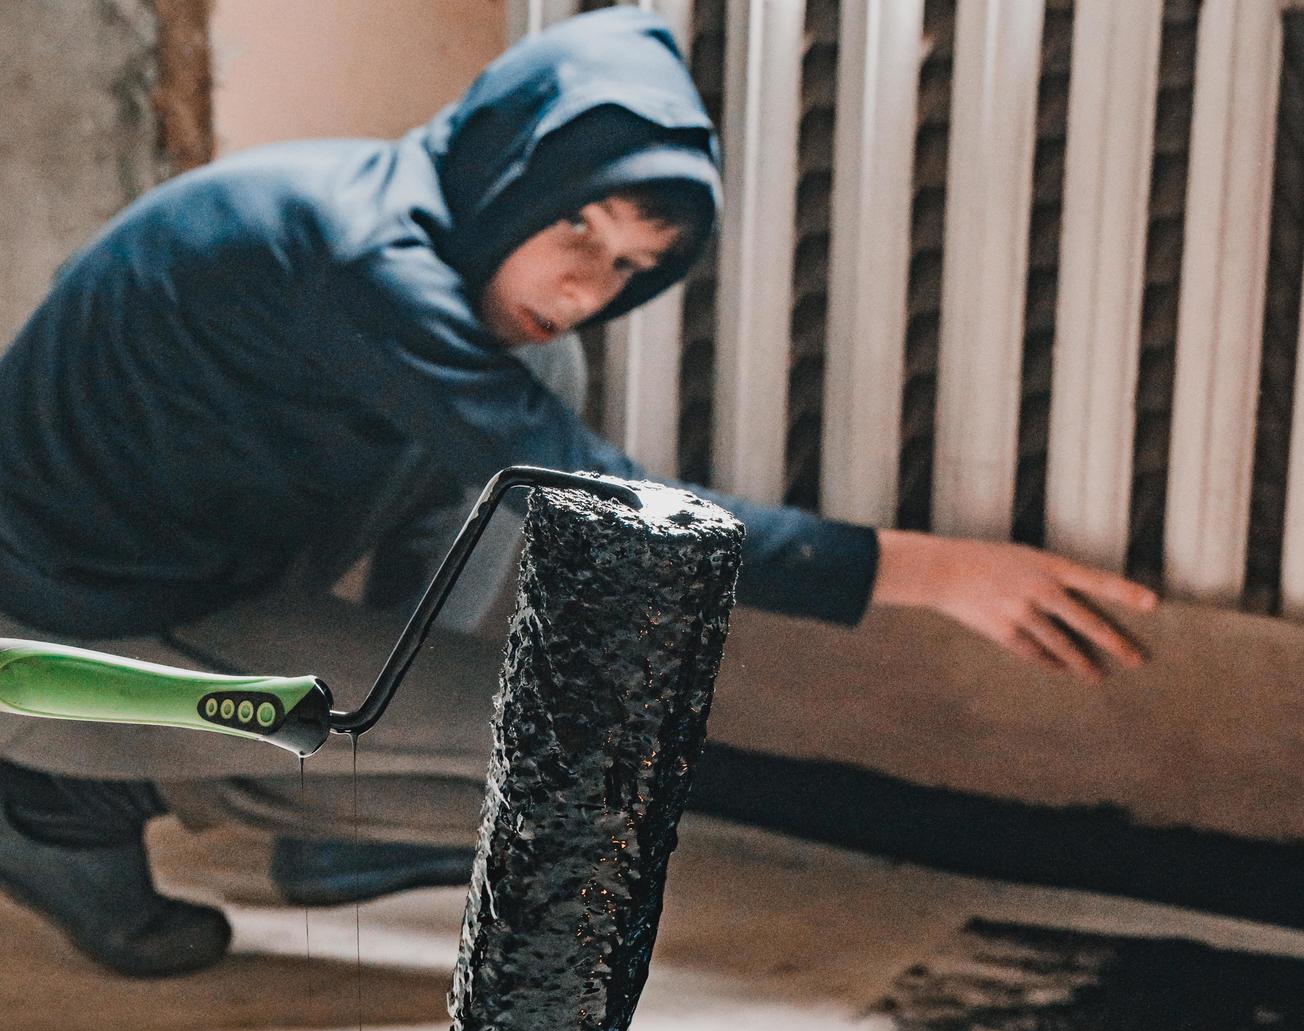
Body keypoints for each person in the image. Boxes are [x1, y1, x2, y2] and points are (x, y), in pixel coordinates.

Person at [0, 7, 1154, 978]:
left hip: (193, 555)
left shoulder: (394, 207)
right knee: (586, 744)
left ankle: (328, 831)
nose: (588, 281)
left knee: (533, 368)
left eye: (630, 265)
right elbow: (596, 502)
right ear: (508, 169)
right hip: (67, 640)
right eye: (575, 225)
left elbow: (531, 462)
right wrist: (940, 574)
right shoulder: (360, 261)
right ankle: (60, 808)